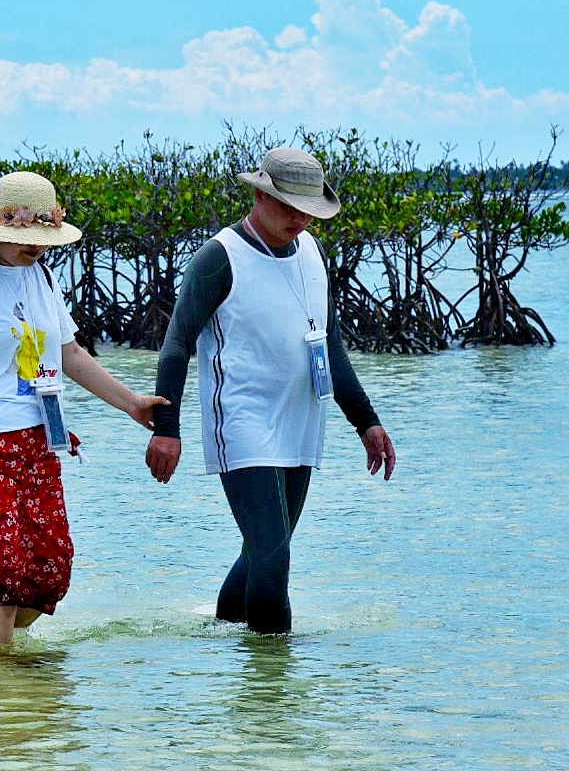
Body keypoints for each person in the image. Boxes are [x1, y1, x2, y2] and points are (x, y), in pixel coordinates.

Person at [148, 147, 396, 635]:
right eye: (287, 206)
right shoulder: (219, 258)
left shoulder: (311, 253)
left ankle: (222, 637)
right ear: (259, 195)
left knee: (263, 547)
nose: (300, 219)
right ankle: (274, 683)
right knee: (272, 550)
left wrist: (367, 422)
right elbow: (176, 346)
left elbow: (332, 348)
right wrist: (166, 429)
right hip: (241, 420)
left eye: (308, 210)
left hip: (301, 421)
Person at [0, 170, 168, 648]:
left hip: (40, 443)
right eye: (23, 237)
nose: (34, 247)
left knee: (48, 573)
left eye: (42, 237)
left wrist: (132, 404)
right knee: (4, 579)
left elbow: (69, 355)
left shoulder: (42, 276)